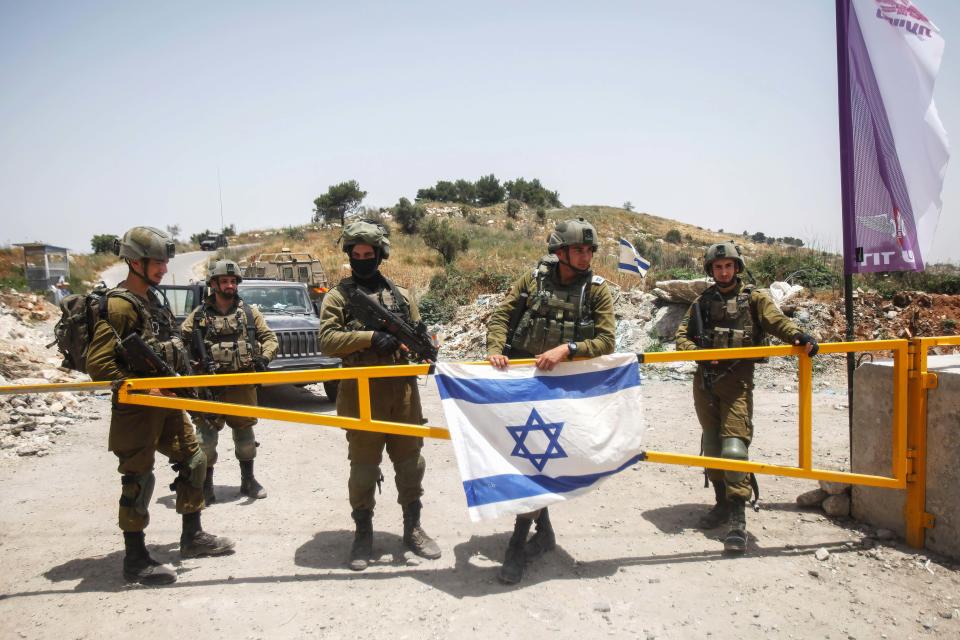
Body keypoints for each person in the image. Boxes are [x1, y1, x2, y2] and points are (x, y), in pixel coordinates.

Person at [86, 226, 234, 586]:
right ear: (134, 262)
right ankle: (135, 559)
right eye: (158, 263)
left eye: (166, 263)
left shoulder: (153, 300)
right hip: (137, 408)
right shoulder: (120, 305)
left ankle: (192, 537)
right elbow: (99, 364)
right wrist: (150, 391)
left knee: (195, 459)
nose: (164, 269)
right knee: (138, 478)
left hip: (167, 401)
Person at [485, 217, 616, 585]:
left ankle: (517, 543)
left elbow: (607, 341)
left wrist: (568, 349)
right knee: (523, 459)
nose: (586, 256)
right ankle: (543, 534)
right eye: (579, 249)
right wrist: (496, 350)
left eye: (590, 250)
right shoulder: (533, 280)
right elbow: (502, 316)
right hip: (524, 384)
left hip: (564, 389)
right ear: (560, 252)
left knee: (538, 459)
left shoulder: (597, 290)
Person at [674, 241, 819, 554]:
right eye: (717, 267)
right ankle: (721, 504)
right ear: (711, 270)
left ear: (736, 267)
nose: (723, 272)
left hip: (737, 382)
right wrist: (700, 354)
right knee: (711, 446)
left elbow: (776, 322)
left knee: (734, 447)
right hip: (705, 382)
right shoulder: (701, 302)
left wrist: (799, 336)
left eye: (728, 266)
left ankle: (738, 518)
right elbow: (681, 337)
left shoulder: (754, 298)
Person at [318, 220, 441, 571]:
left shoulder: (400, 294)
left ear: (380, 255)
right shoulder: (338, 297)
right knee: (363, 470)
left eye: (368, 255)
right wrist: (368, 338)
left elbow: (419, 335)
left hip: (402, 394)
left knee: (411, 464)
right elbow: (326, 341)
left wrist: (425, 349)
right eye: (355, 255)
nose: (361, 260)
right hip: (361, 394)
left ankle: (413, 528)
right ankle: (363, 534)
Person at [181, 259, 278, 504]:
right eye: (224, 281)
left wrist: (264, 358)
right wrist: (190, 365)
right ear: (213, 284)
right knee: (205, 442)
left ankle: (248, 480)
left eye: (233, 281)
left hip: (242, 385)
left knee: (245, 439)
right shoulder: (199, 316)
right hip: (209, 386)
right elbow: (180, 343)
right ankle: (206, 485)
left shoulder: (248, 313)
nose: (229, 285)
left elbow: (270, 338)